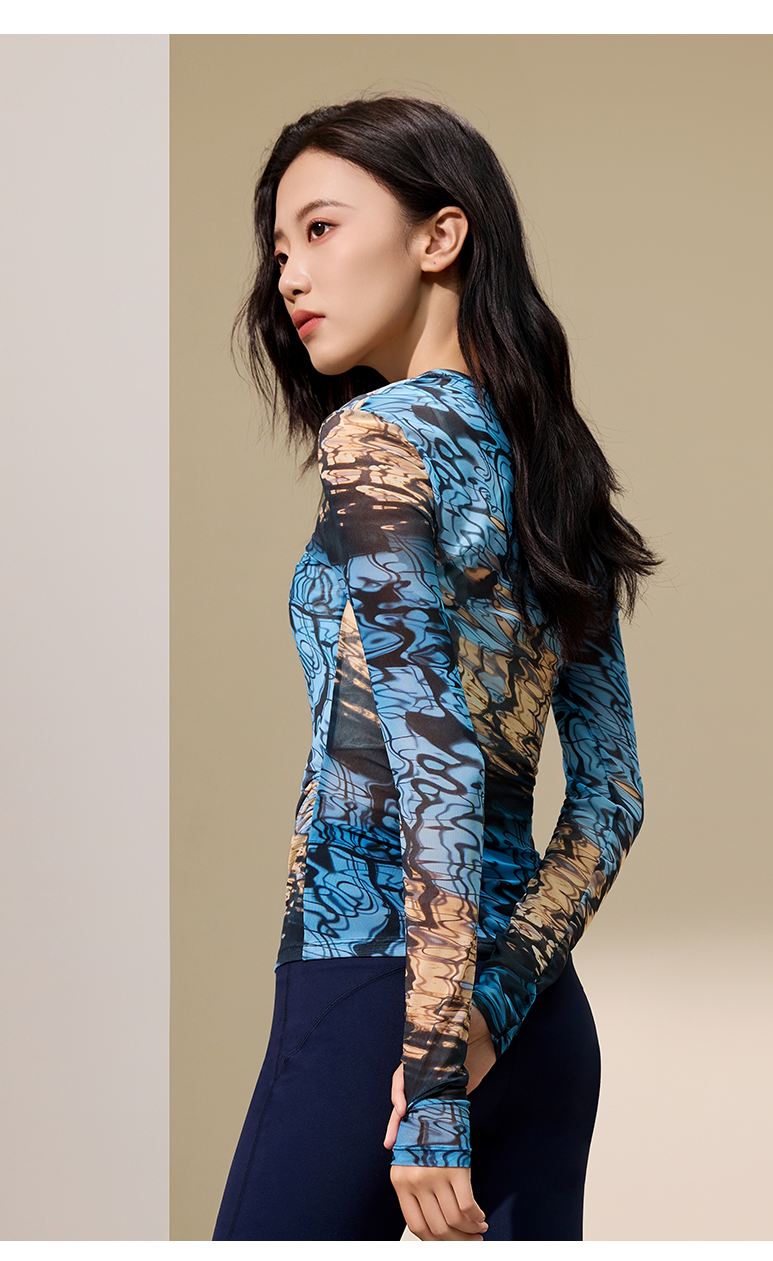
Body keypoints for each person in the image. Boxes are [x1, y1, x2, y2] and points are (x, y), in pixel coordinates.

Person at [212, 95, 658, 1243]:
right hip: (533, 1020)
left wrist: (434, 1078)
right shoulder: (558, 471)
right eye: (278, 246)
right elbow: (611, 799)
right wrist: (490, 1013)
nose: (288, 274)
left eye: (319, 228)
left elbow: (436, 759)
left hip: (378, 992)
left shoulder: (376, 437)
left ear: (439, 235)